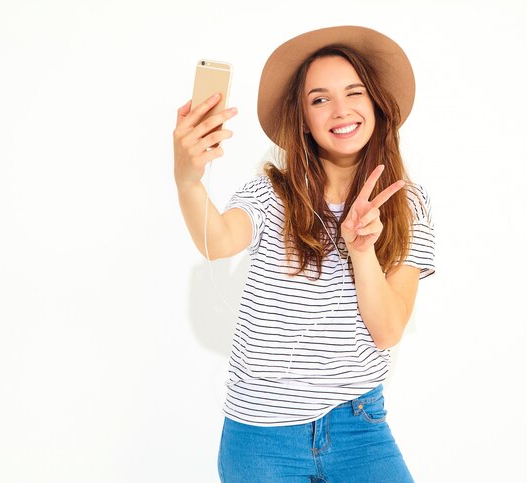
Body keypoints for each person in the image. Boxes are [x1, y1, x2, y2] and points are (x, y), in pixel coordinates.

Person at [174, 25, 435, 483]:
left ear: (375, 102)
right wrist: (189, 181)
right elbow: (217, 240)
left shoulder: (407, 203)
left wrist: (362, 250)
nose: (340, 110)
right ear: (303, 119)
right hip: (262, 436)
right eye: (319, 99)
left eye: (354, 92)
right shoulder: (269, 194)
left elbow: (388, 330)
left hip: (360, 425)